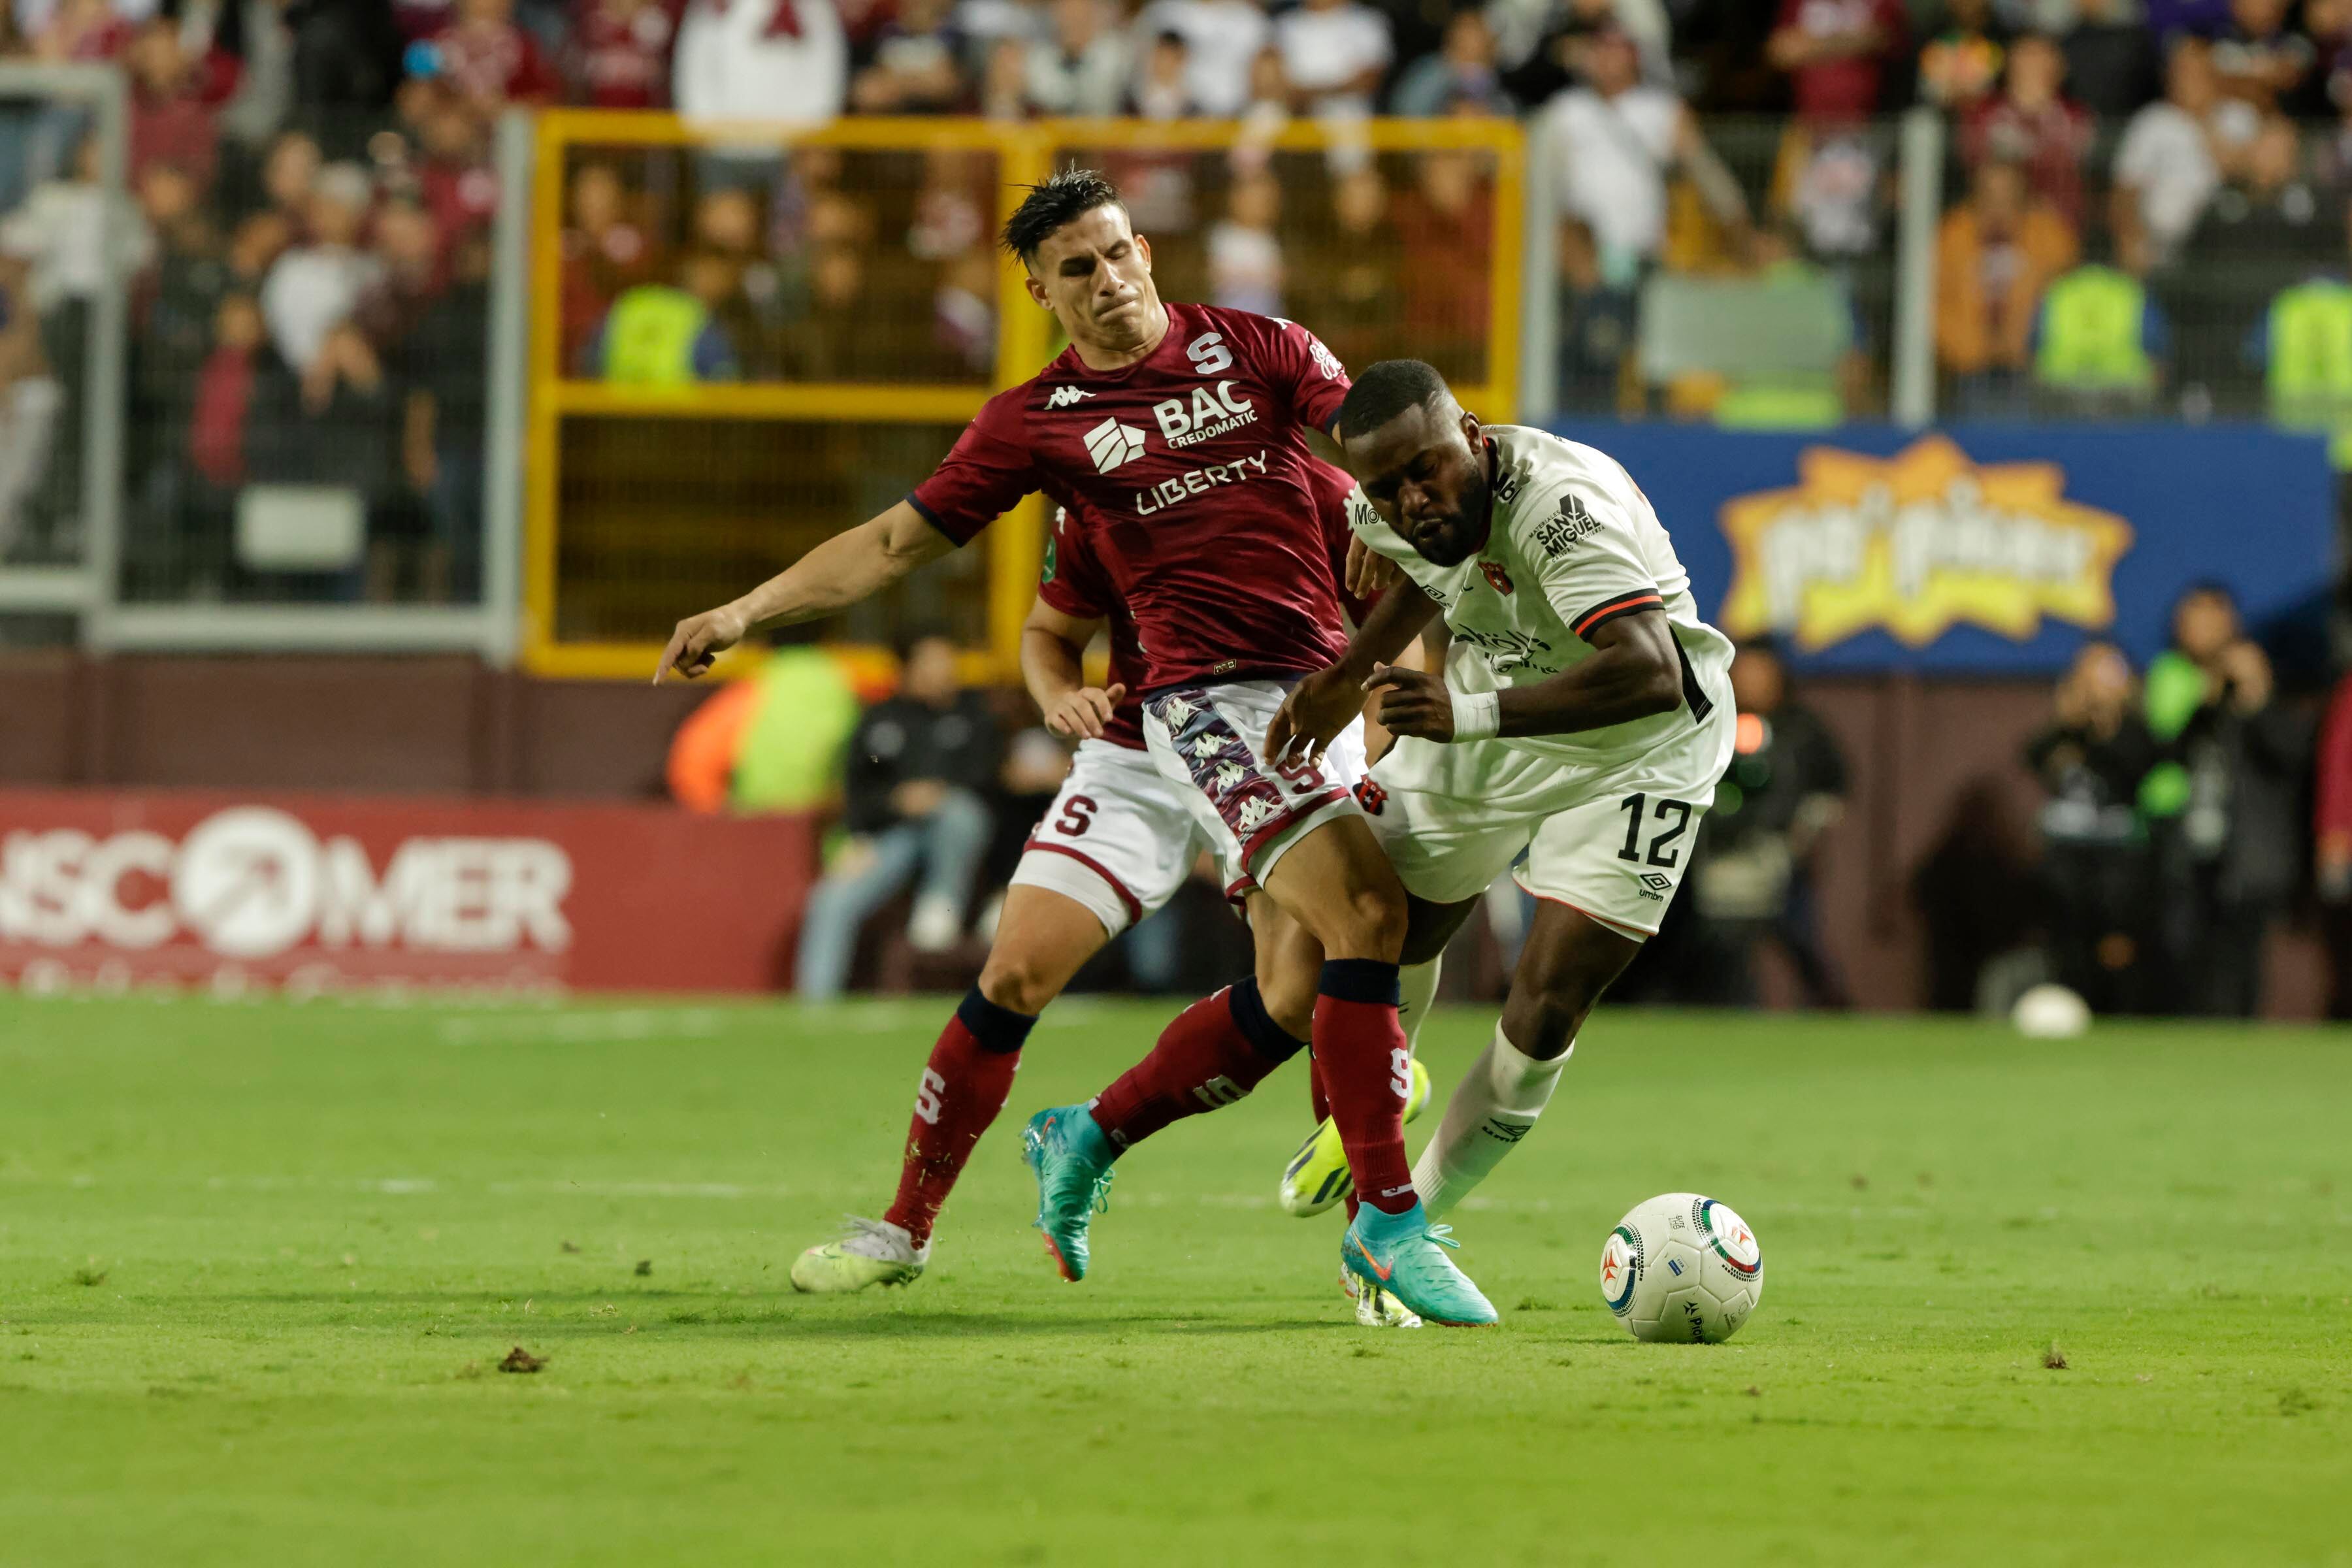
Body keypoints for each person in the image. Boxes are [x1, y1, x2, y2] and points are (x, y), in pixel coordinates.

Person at [656, 169, 1492, 1328]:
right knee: (1024, 969)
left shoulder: (1263, 353)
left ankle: (1098, 1139)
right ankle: (908, 1229)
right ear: (1046, 295)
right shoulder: (1037, 428)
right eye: (1077, 271)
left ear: (1147, 249)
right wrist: (744, 612)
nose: (1108, 282)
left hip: (1305, 697)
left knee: (1307, 982)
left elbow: (1386, 451)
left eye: (1117, 255)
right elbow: (900, 544)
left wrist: (1411, 533)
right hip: (1180, 712)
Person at [1264, 357, 1735, 1230]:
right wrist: (1343, 678)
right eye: (1388, 487)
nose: (1412, 499)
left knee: (1548, 996)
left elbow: (1651, 670)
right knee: (1371, 926)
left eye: (1427, 470)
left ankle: (1400, 1231)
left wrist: (1464, 711)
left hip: (1642, 745)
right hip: (1492, 702)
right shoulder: (1382, 509)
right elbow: (1424, 573)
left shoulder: (1563, 510)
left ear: (1474, 439)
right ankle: (1377, 1119)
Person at [794, 632, 1004, 1000]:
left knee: (960, 812)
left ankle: (940, 907)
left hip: (957, 836)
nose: (944, 672)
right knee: (831, 899)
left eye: (948, 662)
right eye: (932, 662)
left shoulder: (974, 719)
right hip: (890, 835)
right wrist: (889, 808)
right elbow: (860, 787)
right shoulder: (880, 722)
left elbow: (989, 780)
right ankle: (814, 1004)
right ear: (907, 669)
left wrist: (939, 791)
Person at [2023, 640, 2163, 1015]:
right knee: (2066, 940)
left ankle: (2118, 1014)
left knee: (2116, 941)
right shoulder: (2065, 732)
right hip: (2067, 852)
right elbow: (2033, 756)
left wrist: (2104, 725)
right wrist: (2069, 721)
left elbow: (2135, 767)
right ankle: (2069, 1006)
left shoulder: (2135, 731)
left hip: (2117, 854)